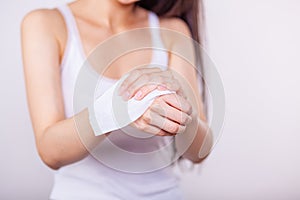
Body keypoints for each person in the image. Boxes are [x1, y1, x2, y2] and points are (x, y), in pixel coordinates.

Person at [21, 0, 213, 199]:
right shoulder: (46, 24)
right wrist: (119, 109)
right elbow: (50, 152)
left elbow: (200, 150)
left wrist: (181, 113)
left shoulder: (172, 30)